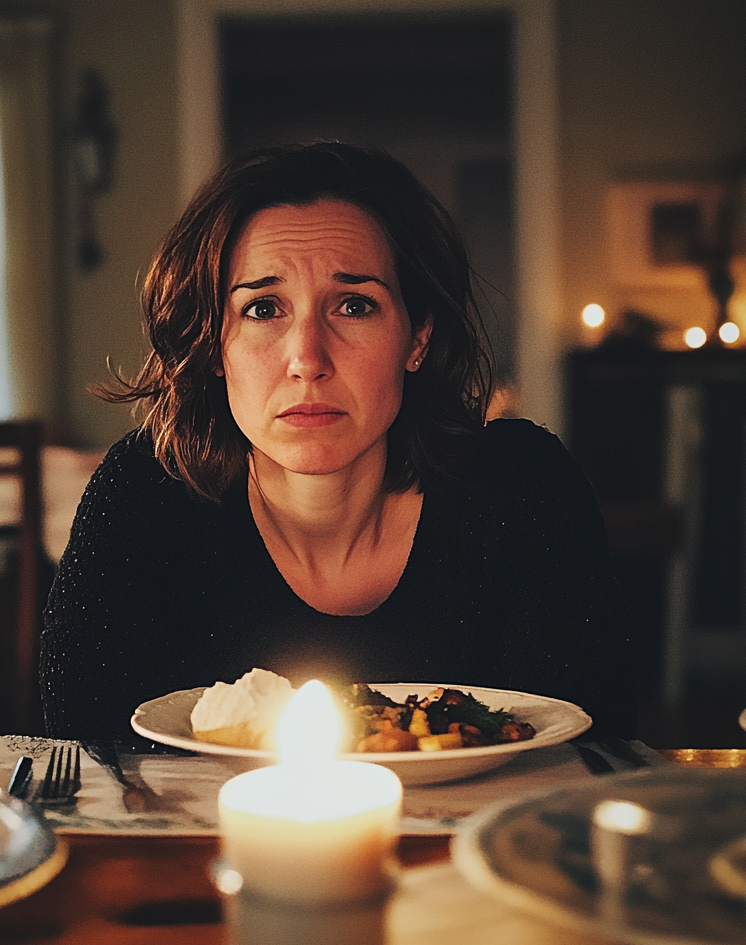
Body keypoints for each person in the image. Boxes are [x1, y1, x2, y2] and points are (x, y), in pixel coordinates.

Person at [40, 143, 636, 742]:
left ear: (417, 337)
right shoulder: (143, 495)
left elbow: (590, 752)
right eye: (263, 307)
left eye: (354, 305)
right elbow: (90, 761)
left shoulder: (524, 489)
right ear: (213, 346)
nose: (307, 358)